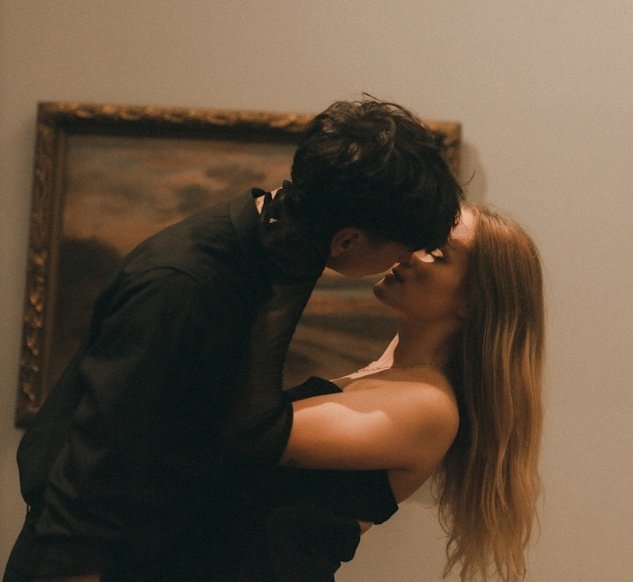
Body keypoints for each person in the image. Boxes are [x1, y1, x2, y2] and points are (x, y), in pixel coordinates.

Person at [4, 97, 462, 581]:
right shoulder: (186, 283)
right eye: (402, 249)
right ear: (346, 241)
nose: (404, 261)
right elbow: (91, 476)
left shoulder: (274, 255)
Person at [217, 202, 544, 582]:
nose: (410, 253)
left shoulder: (428, 406)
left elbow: (253, 433)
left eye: (436, 253)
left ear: (472, 303)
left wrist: (294, 270)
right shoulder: (394, 368)